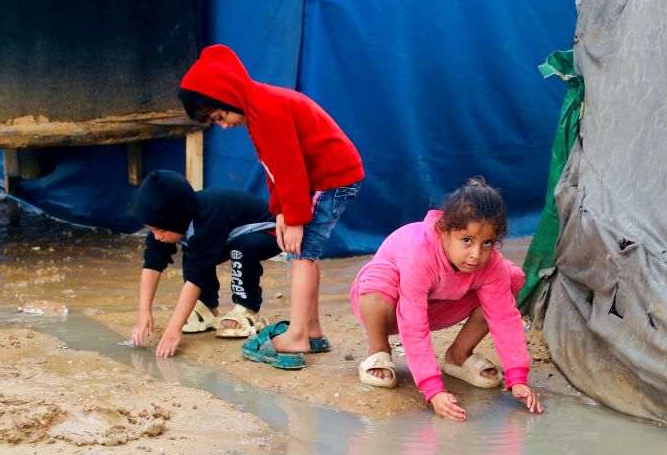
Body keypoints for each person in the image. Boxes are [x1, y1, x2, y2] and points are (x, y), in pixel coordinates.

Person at [178, 44, 364, 369]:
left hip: (329, 178)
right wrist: (279, 211)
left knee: (302, 253)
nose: (222, 125)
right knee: (307, 252)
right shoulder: (255, 110)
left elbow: (291, 168)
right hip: (319, 180)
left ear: (229, 95)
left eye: (220, 116)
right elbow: (272, 167)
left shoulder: (265, 109)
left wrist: (294, 219)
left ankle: (297, 336)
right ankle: (313, 329)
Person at [350, 177, 543, 420]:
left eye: (487, 243)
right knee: (376, 281)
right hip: (389, 306)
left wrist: (517, 377)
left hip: (438, 304)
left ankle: (458, 356)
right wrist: (433, 389)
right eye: (466, 240)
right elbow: (413, 323)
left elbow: (504, 318)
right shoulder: (419, 253)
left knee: (508, 279)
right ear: (443, 230)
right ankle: (379, 350)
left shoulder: (489, 262)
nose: (476, 254)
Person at [130, 170, 281, 358]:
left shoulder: (205, 220)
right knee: (196, 251)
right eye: (150, 229)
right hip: (227, 235)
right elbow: (152, 264)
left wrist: (173, 328)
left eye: (159, 230)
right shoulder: (163, 226)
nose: (156, 235)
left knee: (239, 248)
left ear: (177, 220)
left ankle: (246, 307)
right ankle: (206, 306)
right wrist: (144, 311)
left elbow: (196, 277)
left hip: (271, 231)